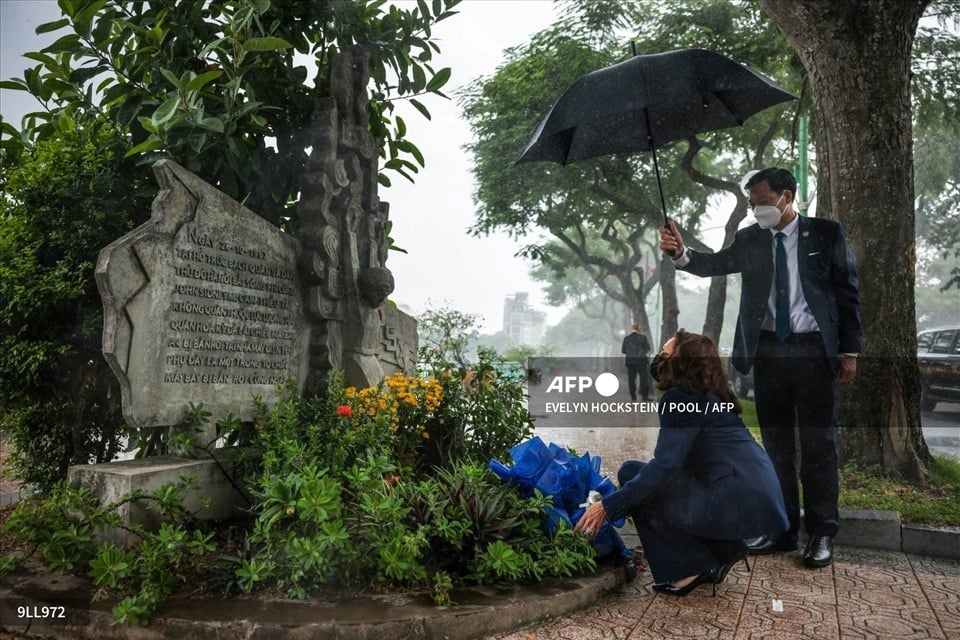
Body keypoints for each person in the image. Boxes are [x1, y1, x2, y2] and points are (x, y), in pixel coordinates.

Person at [658, 167, 862, 569]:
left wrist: (849, 352)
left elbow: (847, 292)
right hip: (767, 353)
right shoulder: (750, 238)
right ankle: (782, 529)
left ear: (787, 196)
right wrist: (680, 253)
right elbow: (713, 264)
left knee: (820, 446)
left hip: (814, 351)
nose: (755, 207)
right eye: (750, 200)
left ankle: (822, 532)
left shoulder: (826, 233)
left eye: (761, 199)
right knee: (777, 447)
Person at [575, 330, 788, 596]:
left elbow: (664, 467)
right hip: (747, 496)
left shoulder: (681, 399)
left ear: (683, 362)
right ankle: (724, 549)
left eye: (664, 355)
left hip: (732, 498)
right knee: (637, 474)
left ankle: (690, 567)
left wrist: (608, 506)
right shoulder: (711, 394)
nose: (658, 361)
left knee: (637, 482)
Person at [621, 324, 651, 401]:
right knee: (644, 379)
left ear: (632, 329)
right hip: (641, 361)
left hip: (630, 362)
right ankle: (644, 397)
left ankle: (633, 397)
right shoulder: (643, 338)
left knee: (631, 380)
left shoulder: (626, 339)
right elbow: (647, 348)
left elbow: (623, 351)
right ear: (639, 329)